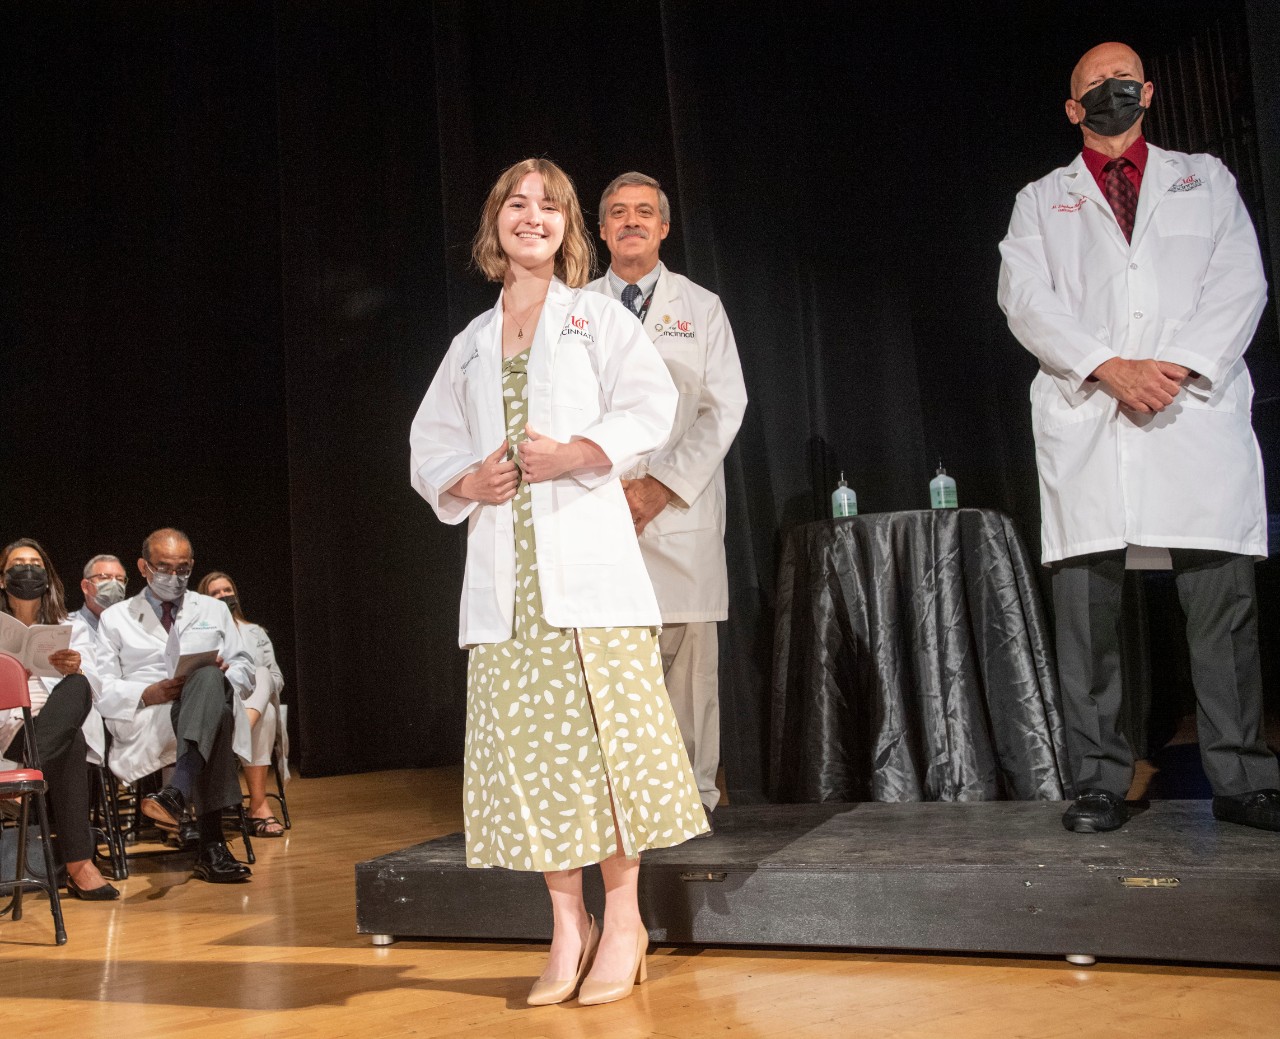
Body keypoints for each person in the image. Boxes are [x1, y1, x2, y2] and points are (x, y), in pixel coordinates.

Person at [409, 157, 706, 1007]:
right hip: (511, 587)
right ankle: (565, 924)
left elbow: (651, 407)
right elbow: (426, 446)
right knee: (540, 761)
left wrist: (578, 453)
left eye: (548, 205)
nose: (530, 215)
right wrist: (466, 481)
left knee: (610, 752)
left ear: (568, 226)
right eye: (515, 202)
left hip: (588, 571)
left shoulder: (595, 319)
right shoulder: (469, 341)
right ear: (494, 222)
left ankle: (623, 920)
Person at [998, 42, 1279, 834]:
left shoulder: (1206, 180)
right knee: (1090, 618)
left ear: (1149, 91)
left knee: (1221, 609)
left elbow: (1240, 281)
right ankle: (1096, 779)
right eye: (1093, 86)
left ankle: (1243, 777)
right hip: (1093, 414)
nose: (1110, 94)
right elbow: (1026, 299)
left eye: (1123, 82)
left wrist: (1177, 366)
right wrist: (1108, 367)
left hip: (1191, 416)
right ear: (1072, 108)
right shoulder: (1040, 200)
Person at [585, 172, 748, 831]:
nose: (631, 221)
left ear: (663, 227)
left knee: (688, 675)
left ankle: (693, 805)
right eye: (618, 212)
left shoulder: (700, 307)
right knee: (612, 674)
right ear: (600, 229)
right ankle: (620, 811)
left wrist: (661, 485)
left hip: (679, 511)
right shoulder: (575, 310)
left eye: (644, 212)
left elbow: (723, 407)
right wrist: (607, 486)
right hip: (601, 512)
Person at [95, 528, 257, 881]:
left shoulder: (213, 609)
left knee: (211, 680)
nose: (174, 577)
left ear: (193, 566)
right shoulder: (116, 617)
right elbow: (102, 686)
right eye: (164, 568)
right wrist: (145, 693)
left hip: (203, 704)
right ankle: (212, 845)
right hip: (147, 713)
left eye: (182, 569)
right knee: (217, 712)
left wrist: (230, 672)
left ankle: (177, 791)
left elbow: (245, 666)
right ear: (143, 566)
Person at [0, 538, 119, 899]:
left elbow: (96, 686)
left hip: (48, 728)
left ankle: (26, 777)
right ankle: (79, 867)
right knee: (71, 742)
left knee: (78, 686)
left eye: (35, 564)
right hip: (9, 732)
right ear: (2, 579)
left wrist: (74, 665)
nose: (27, 571)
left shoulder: (71, 627)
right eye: (17, 565)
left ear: (48, 577)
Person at [197, 571, 286, 837]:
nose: (224, 596)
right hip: (219, 703)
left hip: (250, 705)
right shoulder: (200, 632)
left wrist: (258, 688)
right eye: (216, 593)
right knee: (265, 707)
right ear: (205, 600)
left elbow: (276, 676)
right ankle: (258, 806)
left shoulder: (255, 632)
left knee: (264, 682)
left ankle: (258, 806)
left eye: (227, 590)